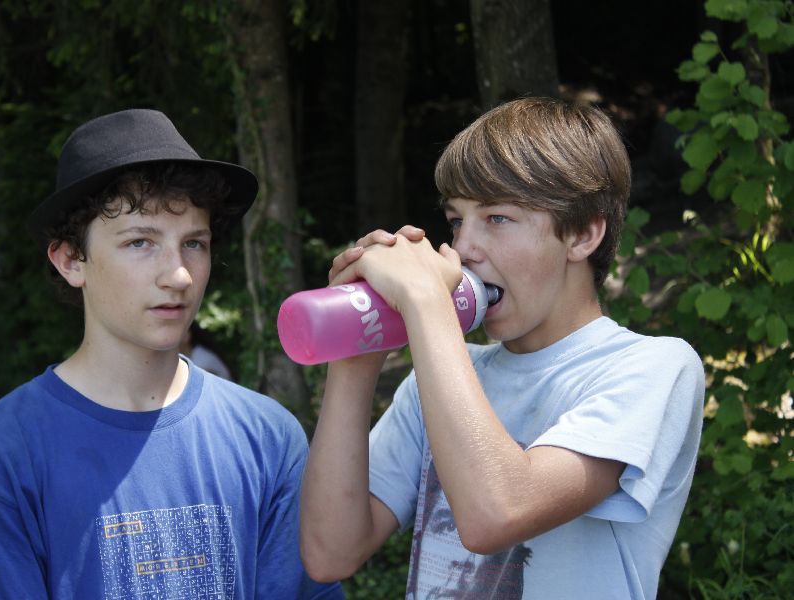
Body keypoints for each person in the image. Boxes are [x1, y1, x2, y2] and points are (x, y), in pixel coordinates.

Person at [0, 109, 342, 599]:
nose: (179, 275)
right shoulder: (0, 454)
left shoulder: (268, 437)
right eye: (140, 241)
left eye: (194, 243)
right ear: (71, 259)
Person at [299, 97, 704, 599]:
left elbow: (495, 515)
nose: (462, 249)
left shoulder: (652, 367)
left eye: (496, 218)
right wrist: (356, 361)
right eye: (456, 221)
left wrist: (426, 303)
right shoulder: (439, 379)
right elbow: (329, 554)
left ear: (582, 234)